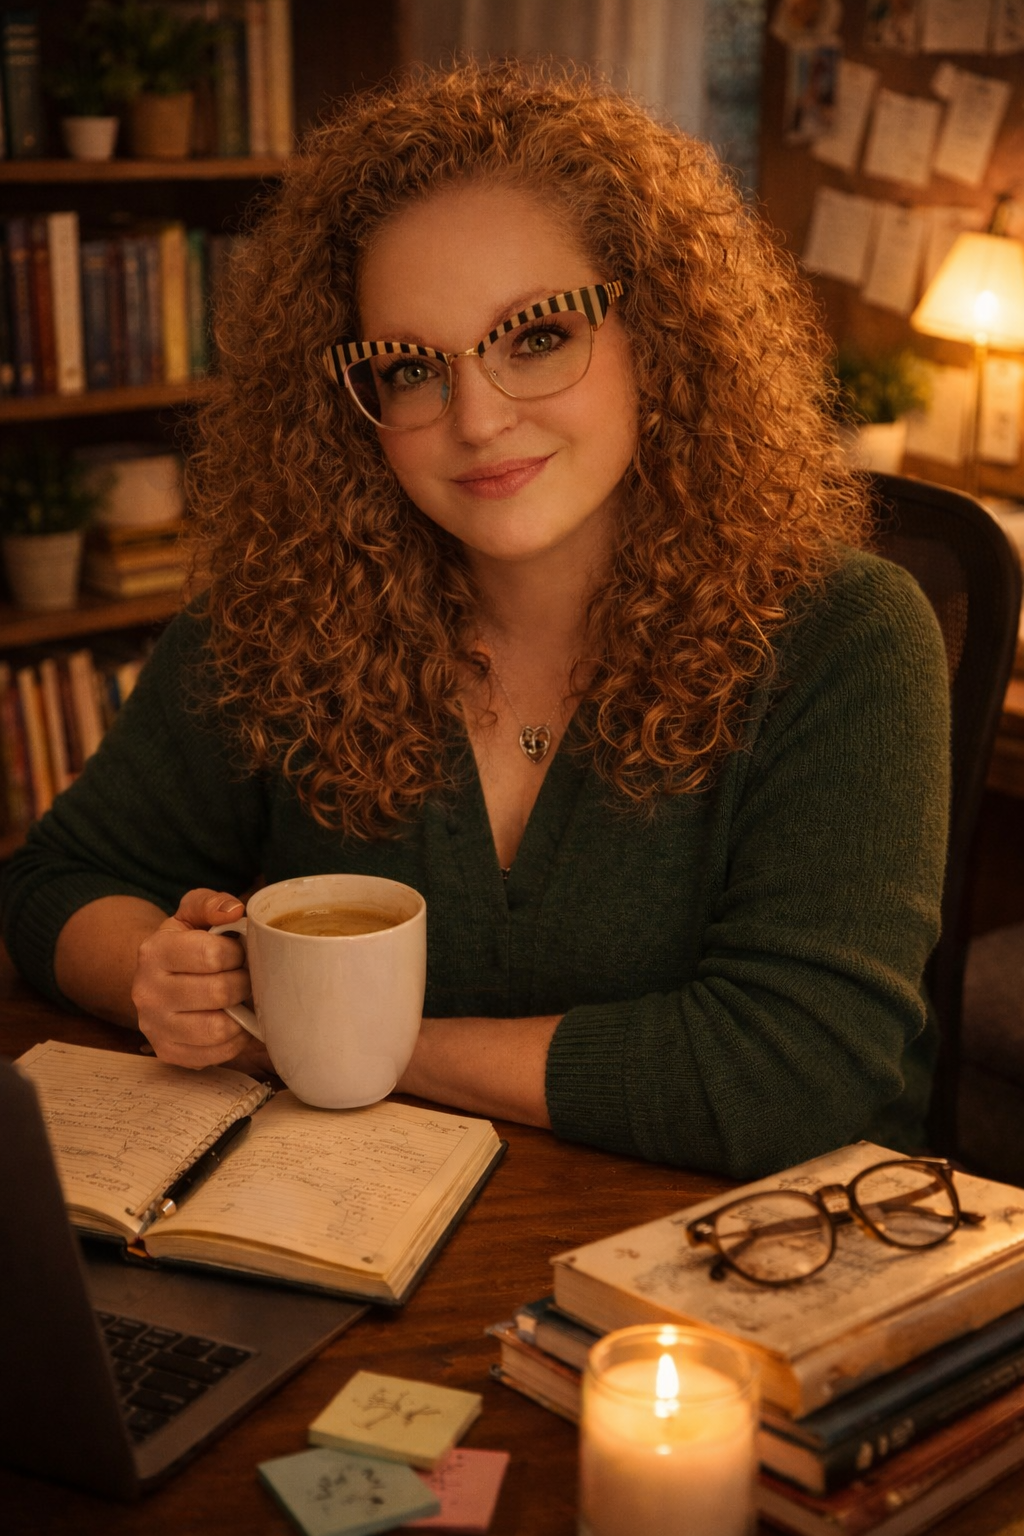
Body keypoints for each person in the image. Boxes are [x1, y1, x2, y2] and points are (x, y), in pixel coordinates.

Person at [0, 61, 949, 1179]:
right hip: (347, 1243)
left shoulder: (844, 639)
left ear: (661, 334)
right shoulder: (279, 620)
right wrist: (154, 973)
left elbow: (786, 1073)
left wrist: (349, 1048)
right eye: (409, 366)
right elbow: (54, 883)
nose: (479, 418)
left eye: (537, 335)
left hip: (739, 1274)